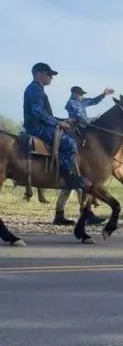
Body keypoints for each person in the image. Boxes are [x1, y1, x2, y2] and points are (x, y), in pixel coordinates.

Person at [50, 85, 114, 226]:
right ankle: (85, 214)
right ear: (73, 93)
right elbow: (79, 118)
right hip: (76, 129)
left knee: (70, 186)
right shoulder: (71, 103)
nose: (81, 96)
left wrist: (103, 95)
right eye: (79, 94)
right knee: (79, 182)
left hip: (83, 127)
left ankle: (61, 215)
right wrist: (92, 122)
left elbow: (93, 101)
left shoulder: (81, 101)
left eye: (82, 94)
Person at [22, 62, 90, 191]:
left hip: (40, 124)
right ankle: (70, 179)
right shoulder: (35, 89)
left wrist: (64, 120)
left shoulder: (36, 89)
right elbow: (37, 111)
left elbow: (45, 113)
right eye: (49, 74)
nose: (51, 77)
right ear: (38, 73)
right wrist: (58, 123)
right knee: (70, 143)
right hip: (37, 127)